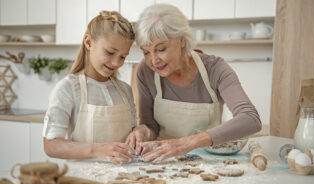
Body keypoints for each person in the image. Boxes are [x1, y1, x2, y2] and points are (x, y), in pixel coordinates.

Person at [125, 4, 262, 163]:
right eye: (146, 52)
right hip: (163, 161)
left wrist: (184, 144)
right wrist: (142, 131)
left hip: (208, 162)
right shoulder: (145, 71)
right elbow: (150, 126)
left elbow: (251, 119)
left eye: (161, 49)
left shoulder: (215, 69)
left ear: (181, 41)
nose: (154, 60)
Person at [43, 11, 136, 165]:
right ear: (88, 42)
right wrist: (96, 150)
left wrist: (138, 133)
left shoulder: (125, 90)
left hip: (123, 179)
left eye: (122, 57)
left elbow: (131, 135)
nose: (116, 63)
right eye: (110, 52)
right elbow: (51, 145)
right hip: (85, 180)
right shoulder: (68, 88)